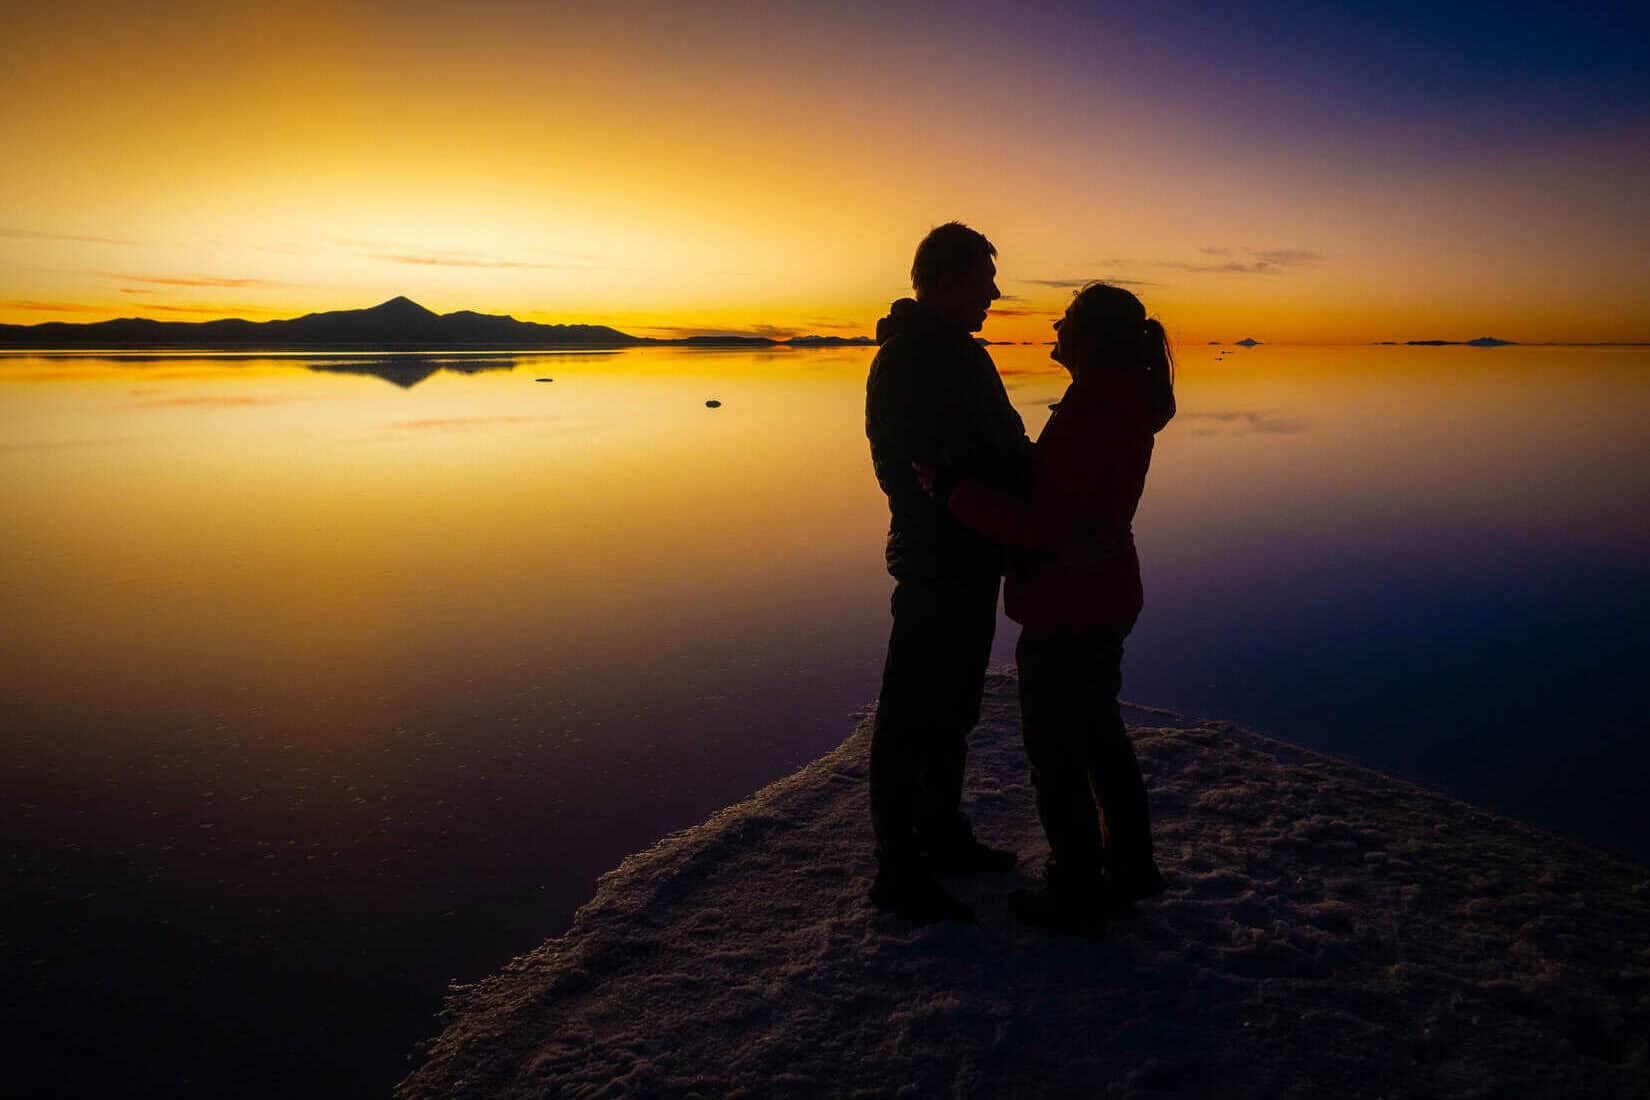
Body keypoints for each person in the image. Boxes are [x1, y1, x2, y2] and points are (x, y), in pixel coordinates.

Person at [918, 282, 1175, 932]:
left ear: (1089, 336)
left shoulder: (1094, 408)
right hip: (1103, 592)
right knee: (1099, 736)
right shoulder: (1117, 400)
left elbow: (1046, 526)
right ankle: (1131, 865)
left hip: (1071, 602)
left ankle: (1077, 885)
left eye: (1067, 318)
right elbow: (1068, 493)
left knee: (1058, 748)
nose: (1054, 324)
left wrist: (956, 492)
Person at [864, 222, 1032, 922]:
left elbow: (1000, 441)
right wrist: (983, 482)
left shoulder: (964, 355)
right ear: (948, 280)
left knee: (955, 706)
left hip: (974, 554)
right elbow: (906, 466)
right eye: (984, 280)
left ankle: (942, 834)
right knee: (909, 712)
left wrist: (1026, 475)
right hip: (936, 558)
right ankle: (897, 869)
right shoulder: (906, 360)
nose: (994, 292)